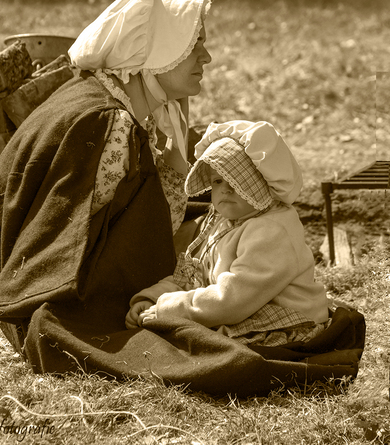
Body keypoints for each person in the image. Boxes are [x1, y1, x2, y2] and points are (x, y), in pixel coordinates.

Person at [0, 0, 212, 351]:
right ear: (155, 52)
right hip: (55, 304)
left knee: (210, 217)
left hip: (29, 289)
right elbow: (91, 239)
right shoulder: (110, 123)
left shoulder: (102, 96)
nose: (206, 57)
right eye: (193, 44)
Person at [125, 120, 330, 347]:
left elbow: (232, 298)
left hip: (284, 317)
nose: (225, 189)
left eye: (238, 181)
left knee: (202, 346)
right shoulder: (224, 221)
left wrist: (170, 309)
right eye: (217, 181)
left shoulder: (271, 230)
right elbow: (195, 276)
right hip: (238, 307)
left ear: (262, 184)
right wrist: (154, 299)